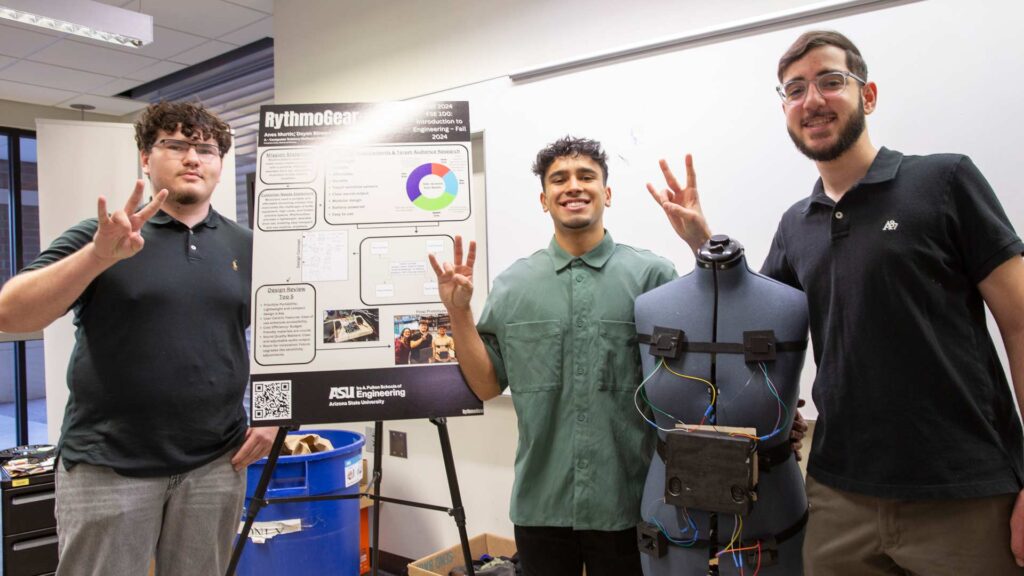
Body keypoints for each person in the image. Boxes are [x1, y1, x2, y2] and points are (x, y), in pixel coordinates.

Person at [649, 30, 1024, 575]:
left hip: (962, 491)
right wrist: (702, 241)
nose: (812, 100)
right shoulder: (795, 224)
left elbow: (1019, 323)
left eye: (831, 81)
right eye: (795, 89)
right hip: (837, 494)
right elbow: (757, 322)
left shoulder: (944, 181)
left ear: (867, 96)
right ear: (785, 110)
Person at [0, 101, 276, 576]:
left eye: (206, 149)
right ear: (146, 159)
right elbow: (11, 312)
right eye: (176, 144)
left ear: (219, 163)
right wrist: (96, 258)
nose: (193, 158)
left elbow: (281, 338)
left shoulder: (247, 245)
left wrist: (273, 416)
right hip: (109, 464)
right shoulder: (101, 236)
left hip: (215, 463)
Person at [429, 136, 677, 576]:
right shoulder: (513, 286)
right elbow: (487, 385)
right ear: (544, 200)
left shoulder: (652, 276)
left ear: (608, 193)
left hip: (627, 499)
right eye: (559, 179)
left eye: (587, 176)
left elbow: (680, 385)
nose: (573, 186)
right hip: (541, 501)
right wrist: (458, 312)